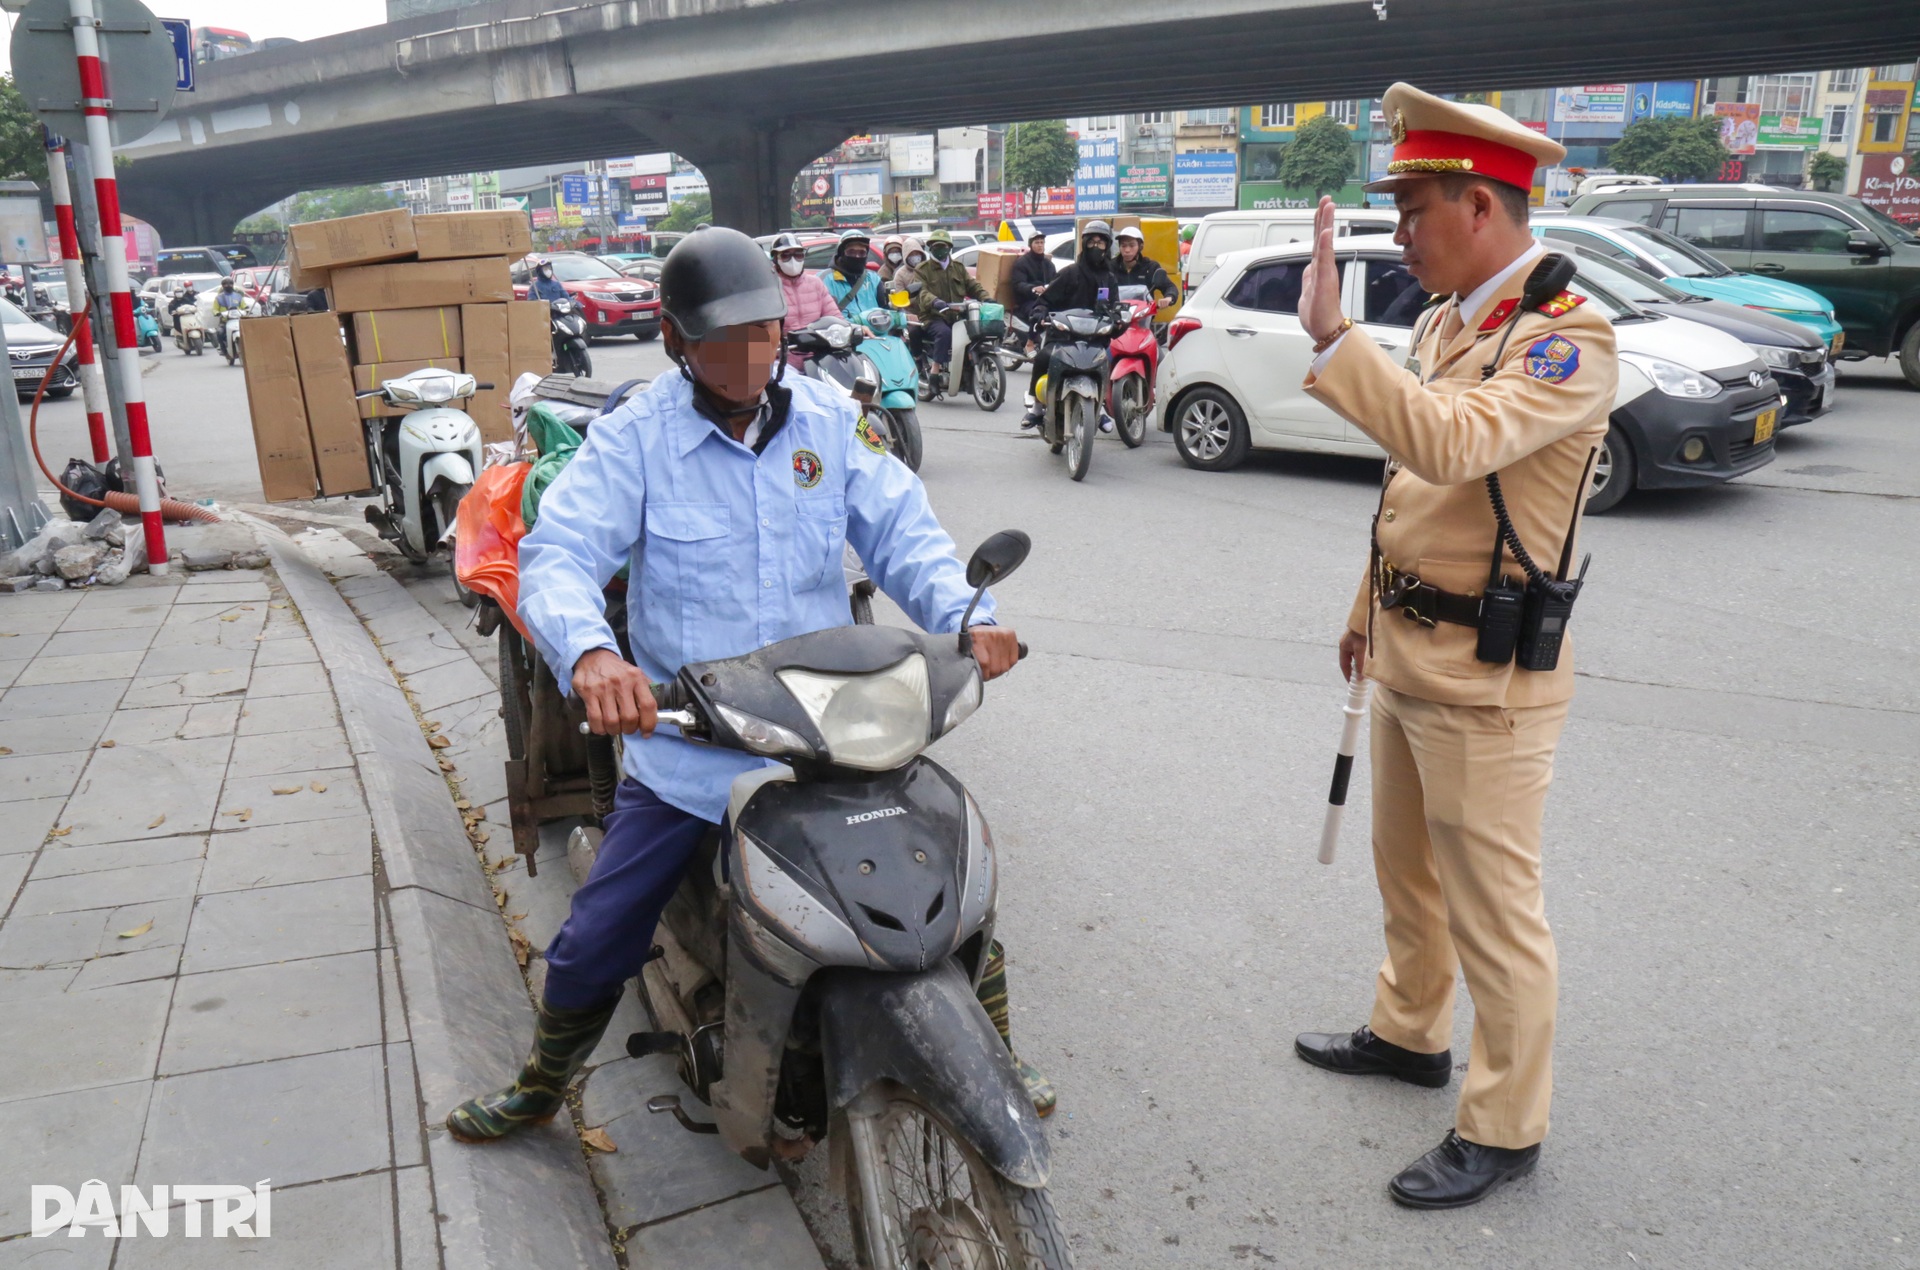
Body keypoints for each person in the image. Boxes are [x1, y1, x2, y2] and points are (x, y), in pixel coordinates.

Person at [445, 228, 1055, 1145]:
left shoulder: (822, 421)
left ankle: (989, 1042)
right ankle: (541, 1082)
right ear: (676, 340)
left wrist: (968, 617)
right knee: (600, 931)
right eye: (723, 339)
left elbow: (902, 532)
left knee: (944, 871)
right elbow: (561, 555)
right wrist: (592, 657)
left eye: (763, 333)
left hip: (832, 729)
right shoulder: (635, 438)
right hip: (697, 747)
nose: (747, 357)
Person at [1290, 82, 1617, 1210]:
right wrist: (1360, 610)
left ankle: (1504, 1124)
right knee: (1407, 874)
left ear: (1480, 206)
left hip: (1489, 681)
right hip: (1408, 651)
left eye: (1416, 207)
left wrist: (1334, 336)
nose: (1401, 233)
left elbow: (1450, 442)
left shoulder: (1568, 338)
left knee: (1495, 914)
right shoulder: (1445, 323)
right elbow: (1407, 498)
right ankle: (1407, 1030)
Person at [1022, 221, 1120, 431]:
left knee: (1108, 362)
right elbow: (1045, 301)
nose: (1096, 246)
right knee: (1042, 358)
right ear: (1084, 244)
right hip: (1063, 338)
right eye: (1092, 242)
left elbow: (1115, 308)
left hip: (1095, 340)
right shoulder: (1069, 273)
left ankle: (1100, 407)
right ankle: (1037, 408)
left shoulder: (1109, 279)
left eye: (1100, 243)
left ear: (1107, 246)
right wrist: (1040, 314)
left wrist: (1118, 320)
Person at [911, 229, 990, 397]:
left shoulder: (958, 268)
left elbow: (972, 285)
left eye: (944, 246)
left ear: (950, 248)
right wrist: (935, 301)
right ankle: (934, 374)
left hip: (957, 315)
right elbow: (921, 292)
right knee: (945, 333)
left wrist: (986, 298)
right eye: (936, 246)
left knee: (975, 333)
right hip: (933, 316)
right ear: (930, 248)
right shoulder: (922, 269)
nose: (940, 249)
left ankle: (966, 370)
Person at [769, 232, 837, 366]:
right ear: (775, 258)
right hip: (782, 363)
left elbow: (835, 318)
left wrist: (854, 328)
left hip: (819, 359)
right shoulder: (768, 287)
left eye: (798, 255)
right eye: (786, 255)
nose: (793, 260)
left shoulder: (816, 283)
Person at [1009, 229, 1056, 351]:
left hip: (1046, 299)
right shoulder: (1022, 263)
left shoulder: (1049, 264)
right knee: (1039, 314)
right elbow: (1018, 284)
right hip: (1027, 301)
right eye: (1037, 242)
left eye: (1042, 242)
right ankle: (1030, 343)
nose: (1040, 245)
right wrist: (1032, 289)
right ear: (1031, 245)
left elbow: (1055, 282)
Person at [821, 228, 884, 319]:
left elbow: (886, 309)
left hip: (876, 331)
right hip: (842, 331)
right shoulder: (824, 280)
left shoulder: (874, 279)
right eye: (851, 252)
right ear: (841, 253)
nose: (857, 256)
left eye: (862, 253)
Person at [1113, 226, 1178, 312]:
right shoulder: (1110, 266)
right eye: (1123, 245)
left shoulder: (1150, 267)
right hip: (1116, 318)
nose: (1127, 250)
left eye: (1132, 245)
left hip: (1142, 318)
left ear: (1140, 247)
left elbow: (1170, 287)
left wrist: (1168, 298)